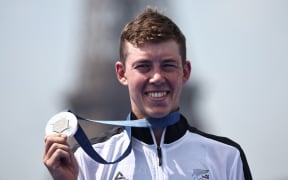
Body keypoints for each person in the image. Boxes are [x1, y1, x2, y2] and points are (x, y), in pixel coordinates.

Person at [43, 7, 252, 180]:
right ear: (122, 73)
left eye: (168, 65)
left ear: (186, 71)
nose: (157, 77)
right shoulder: (88, 161)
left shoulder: (227, 158)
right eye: (143, 66)